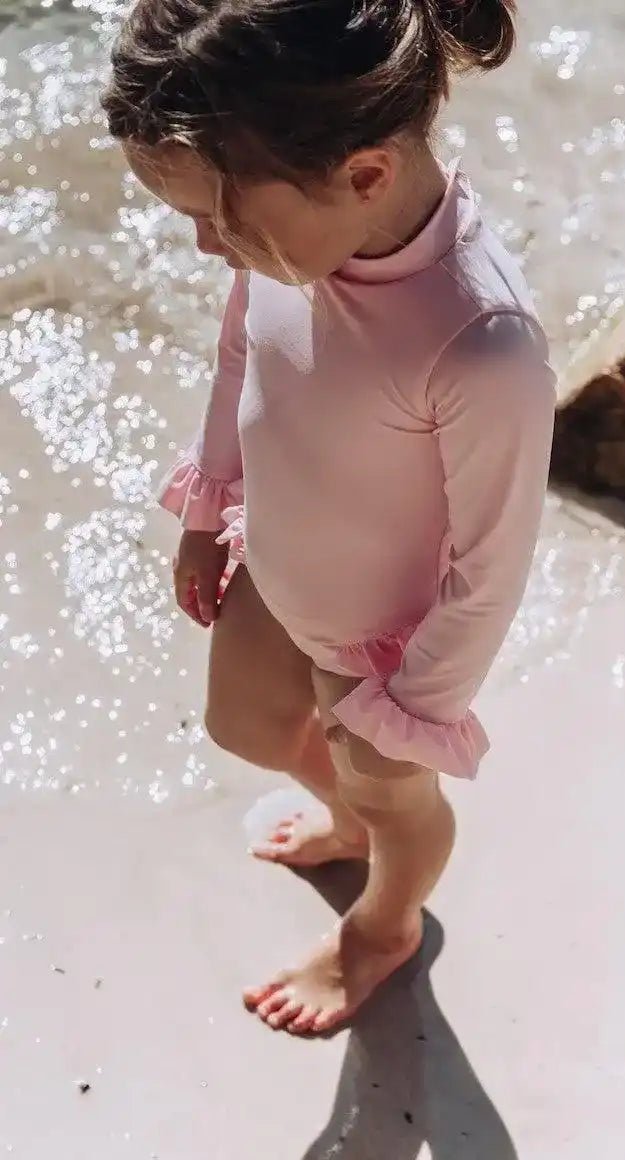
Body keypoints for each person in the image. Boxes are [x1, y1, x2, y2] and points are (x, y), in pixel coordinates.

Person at [103, 0, 556, 1036]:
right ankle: (351, 816)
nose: (208, 246)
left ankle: (386, 920)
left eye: (221, 218)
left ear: (363, 174)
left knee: (397, 799)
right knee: (245, 724)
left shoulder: (478, 342)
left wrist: (405, 713)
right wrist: (208, 503)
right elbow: (239, 357)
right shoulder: (285, 251)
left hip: (385, 649)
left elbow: (490, 565)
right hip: (277, 561)